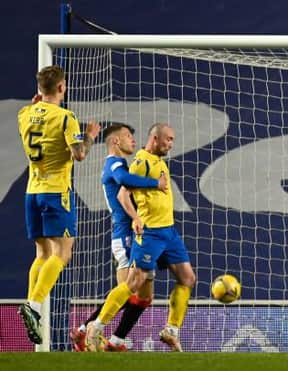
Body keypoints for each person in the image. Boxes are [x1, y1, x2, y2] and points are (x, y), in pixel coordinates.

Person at [86, 123, 196, 352]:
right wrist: (136, 218)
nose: (171, 144)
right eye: (168, 139)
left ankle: (171, 330)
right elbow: (123, 193)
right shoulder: (141, 162)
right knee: (133, 284)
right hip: (151, 234)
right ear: (155, 138)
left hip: (169, 232)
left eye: (172, 140)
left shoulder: (159, 161)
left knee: (187, 278)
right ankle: (95, 326)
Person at [17, 65, 100, 344]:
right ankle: (35, 306)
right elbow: (79, 155)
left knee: (42, 252)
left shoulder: (24, 114)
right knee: (62, 253)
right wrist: (89, 134)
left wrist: (36, 106)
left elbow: (34, 117)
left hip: (32, 190)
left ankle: (33, 304)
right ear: (62, 87)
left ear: (39, 88)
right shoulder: (66, 118)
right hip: (55, 192)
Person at [69, 123, 168, 351]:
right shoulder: (114, 163)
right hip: (124, 235)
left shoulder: (120, 162)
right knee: (127, 291)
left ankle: (115, 341)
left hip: (137, 235)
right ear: (116, 142)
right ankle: (86, 332)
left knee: (144, 296)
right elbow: (124, 179)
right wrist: (155, 183)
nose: (133, 140)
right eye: (128, 136)